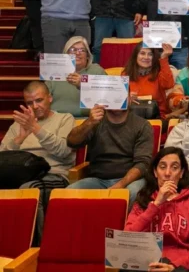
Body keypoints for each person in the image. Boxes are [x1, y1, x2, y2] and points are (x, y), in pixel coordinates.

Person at [0, 81, 75, 241]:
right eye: (29, 103)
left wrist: (35, 129)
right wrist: (20, 138)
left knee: (29, 189)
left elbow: (64, 151)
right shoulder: (19, 124)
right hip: (20, 172)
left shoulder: (65, 119)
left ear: (50, 98)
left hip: (53, 174)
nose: (34, 106)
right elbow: (3, 157)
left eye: (39, 100)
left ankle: (37, 247)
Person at [125, 147, 189, 272]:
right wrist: (156, 204)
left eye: (174, 168)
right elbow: (128, 239)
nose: (168, 173)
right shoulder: (143, 199)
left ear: (181, 173)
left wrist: (174, 266)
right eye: (162, 167)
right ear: (155, 172)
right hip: (146, 265)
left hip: (179, 267)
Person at [66, 103, 153, 207]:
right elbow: (71, 142)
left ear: (129, 99)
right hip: (98, 180)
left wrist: (121, 185)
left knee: (132, 193)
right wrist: (89, 122)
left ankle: (126, 223)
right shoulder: (95, 122)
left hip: (130, 180)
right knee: (68, 194)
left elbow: (143, 163)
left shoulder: (142, 125)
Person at [47, 36, 107, 117]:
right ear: (65, 54)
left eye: (82, 50)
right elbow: (43, 97)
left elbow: (107, 98)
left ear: (88, 55)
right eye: (73, 50)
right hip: (57, 119)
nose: (77, 53)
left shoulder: (97, 71)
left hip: (88, 119)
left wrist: (84, 85)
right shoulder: (55, 72)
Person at [123, 43, 180, 120]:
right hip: (133, 118)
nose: (146, 57)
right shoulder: (125, 74)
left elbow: (168, 85)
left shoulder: (159, 72)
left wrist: (164, 58)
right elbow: (120, 102)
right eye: (142, 53)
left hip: (158, 119)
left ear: (154, 57)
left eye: (150, 54)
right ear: (135, 56)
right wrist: (128, 99)